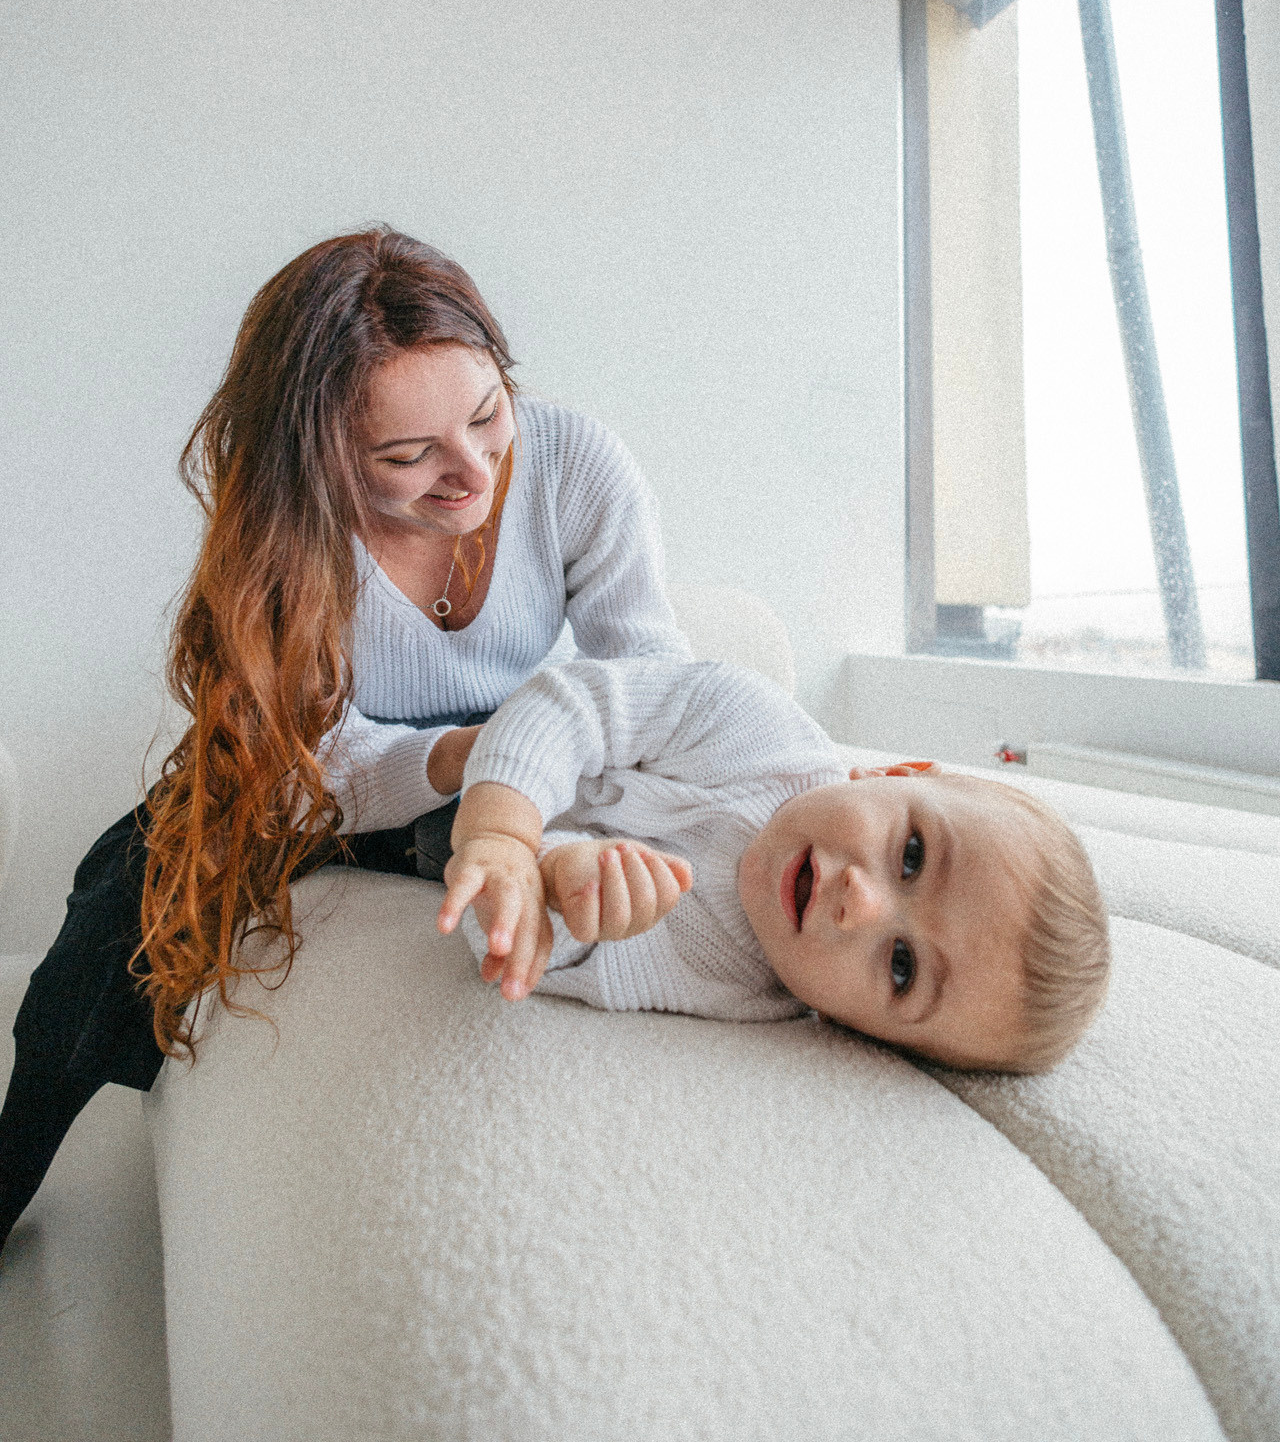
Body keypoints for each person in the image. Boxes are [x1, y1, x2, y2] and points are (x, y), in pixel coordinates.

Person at [0, 228, 689, 1250]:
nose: (468, 476)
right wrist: (463, 756)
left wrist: (524, 761)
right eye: (406, 457)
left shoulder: (575, 462)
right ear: (320, 456)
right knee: (119, 902)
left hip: (503, 766)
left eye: (487, 416)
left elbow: (652, 682)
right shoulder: (289, 532)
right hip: (310, 777)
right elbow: (302, 773)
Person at [436, 657, 1111, 1071]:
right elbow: (573, 703)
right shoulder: (754, 725)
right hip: (473, 713)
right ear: (892, 771)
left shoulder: (737, 988)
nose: (860, 903)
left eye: (902, 967)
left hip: (408, 847)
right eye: (911, 856)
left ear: (857, 1032)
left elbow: (511, 952)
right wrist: (503, 830)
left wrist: (558, 895)